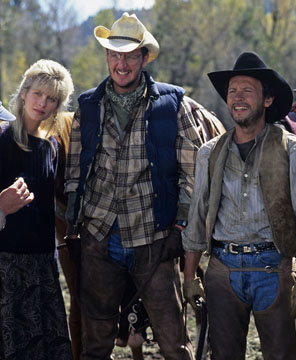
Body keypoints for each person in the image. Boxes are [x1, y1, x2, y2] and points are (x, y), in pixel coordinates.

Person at [64, 12, 215, 359]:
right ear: (106, 57)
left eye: (130, 55)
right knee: (95, 341)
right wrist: (75, 225)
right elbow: (75, 172)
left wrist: (181, 225)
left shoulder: (174, 105)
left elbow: (193, 173)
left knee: (174, 341)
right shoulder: (87, 107)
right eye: (115, 55)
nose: (121, 63)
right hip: (99, 238)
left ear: (144, 58)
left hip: (153, 237)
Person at [181, 51, 296, 360]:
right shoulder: (210, 152)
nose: (238, 97)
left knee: (281, 355)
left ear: (268, 100)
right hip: (222, 270)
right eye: (233, 91)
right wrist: (191, 276)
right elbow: (197, 219)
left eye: (247, 90)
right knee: (223, 355)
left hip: (274, 269)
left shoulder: (293, 150)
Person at [0, 59, 74, 359]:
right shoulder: (2, 139)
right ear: (24, 93)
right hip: (5, 269)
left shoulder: (51, 147)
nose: (42, 103)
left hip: (43, 267)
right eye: (38, 94)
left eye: (52, 98)